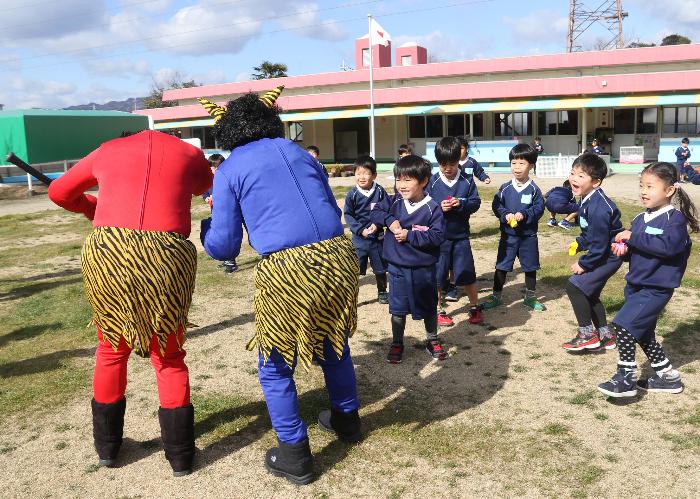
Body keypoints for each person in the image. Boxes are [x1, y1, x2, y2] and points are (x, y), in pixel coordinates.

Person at [198, 88, 361, 485]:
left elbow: (224, 245)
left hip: (290, 267)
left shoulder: (232, 168)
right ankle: (347, 420)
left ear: (229, 129)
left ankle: (294, 455)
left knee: (274, 364)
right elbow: (330, 207)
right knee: (333, 341)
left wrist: (206, 231)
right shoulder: (299, 152)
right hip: (339, 255)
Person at [47, 130, 212, 476]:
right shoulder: (187, 152)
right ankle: (180, 456)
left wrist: (91, 206)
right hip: (166, 253)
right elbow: (203, 187)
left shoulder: (108, 150)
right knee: (167, 354)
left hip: (109, 250)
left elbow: (58, 191)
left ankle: (108, 448)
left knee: (111, 348)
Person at [598, 162, 697, 397]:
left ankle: (626, 377)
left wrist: (633, 237)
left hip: (656, 289)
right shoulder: (641, 219)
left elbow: (668, 248)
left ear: (669, 190)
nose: (643, 191)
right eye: (641, 185)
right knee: (642, 333)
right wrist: (625, 250)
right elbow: (640, 248)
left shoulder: (674, 220)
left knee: (622, 325)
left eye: (650, 186)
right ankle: (669, 377)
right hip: (635, 285)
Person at [370, 155, 447, 363]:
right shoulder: (394, 201)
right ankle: (397, 342)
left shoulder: (433, 207)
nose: (401, 185)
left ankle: (432, 339)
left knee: (429, 305)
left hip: (423, 269)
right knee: (398, 307)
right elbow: (375, 211)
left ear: (423, 181)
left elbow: (437, 236)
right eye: (398, 180)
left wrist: (410, 235)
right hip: (397, 267)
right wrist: (390, 220)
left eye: (408, 180)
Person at [561, 153, 622, 352]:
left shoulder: (599, 207)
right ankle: (606, 336)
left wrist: (584, 263)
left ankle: (587, 334)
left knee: (575, 286)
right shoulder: (587, 200)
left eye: (580, 176)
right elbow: (591, 233)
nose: (573, 179)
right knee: (590, 292)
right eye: (572, 173)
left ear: (595, 182)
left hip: (608, 255)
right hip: (602, 251)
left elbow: (600, 243)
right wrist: (579, 243)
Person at [426, 137, 483, 327]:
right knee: (438, 276)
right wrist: (437, 207)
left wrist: (462, 203)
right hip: (439, 238)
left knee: (467, 273)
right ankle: (438, 309)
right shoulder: (432, 182)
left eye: (451, 163)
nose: (447, 168)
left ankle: (474, 307)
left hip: (460, 237)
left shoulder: (467, 181)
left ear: (460, 159)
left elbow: (475, 202)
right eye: (443, 164)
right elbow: (424, 205)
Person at [482, 144, 545, 312]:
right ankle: (496, 296)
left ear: (531, 165)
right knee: (501, 266)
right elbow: (497, 205)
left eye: (522, 163)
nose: (517, 167)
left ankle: (530, 297)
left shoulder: (534, 190)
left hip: (528, 236)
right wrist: (505, 214)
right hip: (508, 236)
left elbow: (539, 209)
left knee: (530, 267)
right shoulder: (505, 188)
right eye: (514, 163)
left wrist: (525, 214)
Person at [343, 155, 389, 304]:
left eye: (366, 173)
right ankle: (352, 294)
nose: (361, 177)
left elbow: (387, 209)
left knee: (380, 268)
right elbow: (348, 214)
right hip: (360, 240)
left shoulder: (380, 191)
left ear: (374, 175)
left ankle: (382, 291)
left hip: (377, 239)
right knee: (356, 268)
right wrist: (359, 230)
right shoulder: (353, 194)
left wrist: (378, 223)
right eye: (358, 173)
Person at [203, 153, 238, 273]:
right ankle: (226, 259)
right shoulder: (209, 180)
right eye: (212, 167)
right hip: (216, 212)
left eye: (216, 167)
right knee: (220, 235)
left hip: (228, 213)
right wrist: (206, 197)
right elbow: (205, 191)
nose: (214, 170)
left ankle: (231, 262)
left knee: (229, 234)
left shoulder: (227, 179)